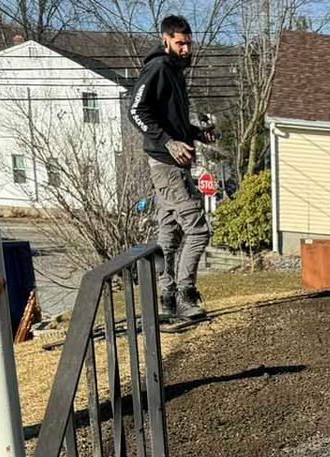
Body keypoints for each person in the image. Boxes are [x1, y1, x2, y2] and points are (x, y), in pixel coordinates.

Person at [130, 14, 216, 323]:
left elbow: (173, 121)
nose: (186, 49)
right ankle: (185, 294)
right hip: (166, 166)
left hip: (175, 165)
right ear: (165, 40)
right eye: (180, 43)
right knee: (198, 230)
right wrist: (169, 143)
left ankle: (166, 298)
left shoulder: (176, 73)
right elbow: (136, 111)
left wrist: (194, 133)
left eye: (189, 43)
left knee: (168, 234)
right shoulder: (157, 68)